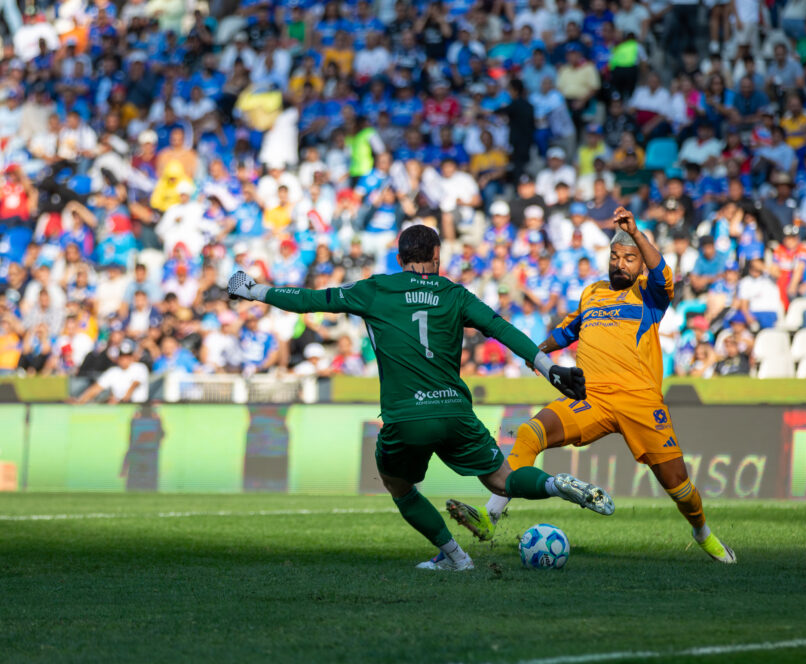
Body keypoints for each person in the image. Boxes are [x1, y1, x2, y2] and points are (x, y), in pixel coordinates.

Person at [227, 225, 611, 571]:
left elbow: (309, 300)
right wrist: (550, 368)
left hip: (406, 417)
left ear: (399, 259)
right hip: (455, 412)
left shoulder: (375, 289)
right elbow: (500, 328)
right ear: (437, 259)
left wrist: (253, 289)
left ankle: (456, 558)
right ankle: (554, 484)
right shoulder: (455, 294)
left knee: (398, 484)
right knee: (502, 481)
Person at [448, 208, 735, 564]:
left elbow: (663, 273)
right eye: (615, 256)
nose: (620, 264)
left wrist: (637, 233)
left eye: (629, 258)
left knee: (679, 487)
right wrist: (538, 353)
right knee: (529, 433)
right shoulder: (592, 294)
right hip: (592, 398)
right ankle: (489, 519)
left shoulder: (650, 294)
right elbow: (567, 330)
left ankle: (702, 533)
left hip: (640, 403)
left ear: (640, 263)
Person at [72, 340, 149, 403]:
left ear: (132, 357)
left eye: (127, 356)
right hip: (120, 408)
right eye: (122, 356)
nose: (125, 360)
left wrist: (119, 400)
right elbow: (96, 388)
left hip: (138, 408)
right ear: (118, 358)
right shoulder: (113, 371)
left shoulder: (140, 368)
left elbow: (133, 386)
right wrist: (80, 401)